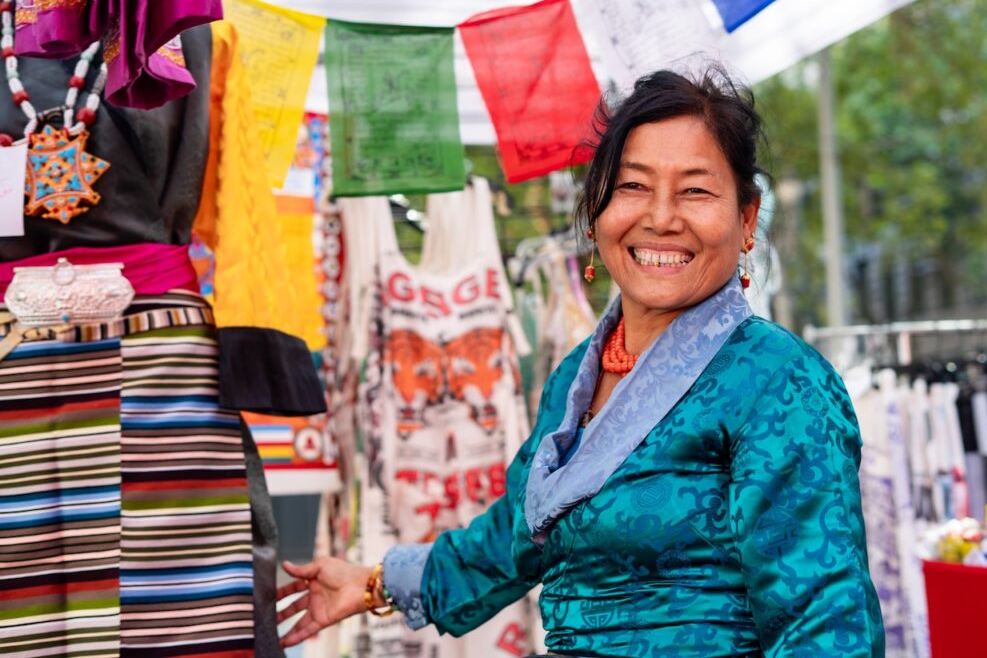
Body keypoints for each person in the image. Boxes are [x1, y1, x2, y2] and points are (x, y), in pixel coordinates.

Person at [276, 67, 885, 657]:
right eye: (633, 186)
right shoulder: (575, 376)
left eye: (695, 190)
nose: (661, 217)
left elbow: (825, 628)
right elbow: (512, 537)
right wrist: (373, 582)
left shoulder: (780, 383)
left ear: (747, 218)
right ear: (597, 210)